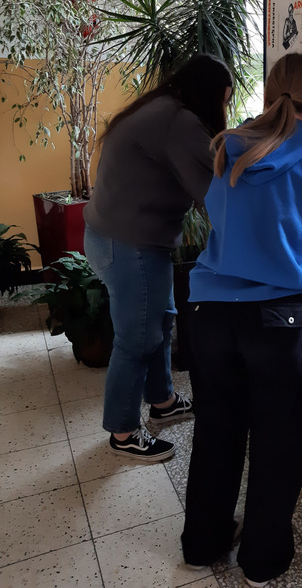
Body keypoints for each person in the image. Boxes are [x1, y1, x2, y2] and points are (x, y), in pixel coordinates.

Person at [181, 52, 302, 587]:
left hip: (210, 314)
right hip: (281, 324)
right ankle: (262, 561)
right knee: (278, 442)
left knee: (217, 431)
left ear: (268, 93)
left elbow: (222, 224)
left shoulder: (226, 148)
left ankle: (202, 544)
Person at [84, 54, 233, 462]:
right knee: (136, 339)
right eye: (224, 100)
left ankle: (162, 401)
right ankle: (123, 432)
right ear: (209, 94)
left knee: (161, 320)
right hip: (129, 245)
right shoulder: (178, 122)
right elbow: (216, 191)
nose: (224, 110)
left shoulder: (160, 106)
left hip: (118, 238)